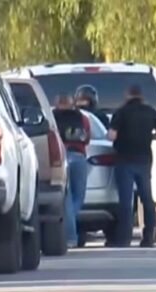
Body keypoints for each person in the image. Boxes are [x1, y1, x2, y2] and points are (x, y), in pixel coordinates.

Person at [108, 85, 156, 247]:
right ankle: (148, 237)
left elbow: (111, 136)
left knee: (126, 201)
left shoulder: (121, 112)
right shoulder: (150, 112)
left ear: (127, 95)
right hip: (144, 159)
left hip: (124, 159)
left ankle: (124, 238)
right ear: (141, 96)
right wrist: (148, 135)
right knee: (147, 198)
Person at [52, 94, 91, 248]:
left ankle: (69, 235)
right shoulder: (82, 118)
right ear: (72, 103)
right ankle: (70, 234)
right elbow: (87, 138)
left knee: (66, 198)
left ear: (56, 103)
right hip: (79, 156)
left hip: (61, 157)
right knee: (78, 197)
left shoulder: (52, 117)